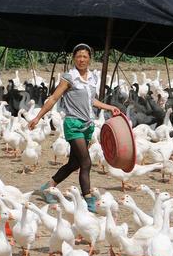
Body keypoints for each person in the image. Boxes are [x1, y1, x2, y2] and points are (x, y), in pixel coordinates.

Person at [28, 43, 120, 212]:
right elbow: (54, 98)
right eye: (78, 56)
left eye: (85, 56)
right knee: (86, 162)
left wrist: (109, 107)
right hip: (73, 125)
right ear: (74, 58)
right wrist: (38, 116)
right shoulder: (69, 78)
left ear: (90, 59)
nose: (82, 59)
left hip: (87, 126)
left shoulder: (93, 78)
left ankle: (48, 187)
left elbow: (92, 100)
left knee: (74, 163)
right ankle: (88, 199)